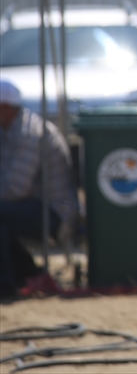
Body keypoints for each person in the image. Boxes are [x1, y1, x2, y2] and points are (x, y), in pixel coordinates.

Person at [0, 79, 79, 298]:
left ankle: (6, 286)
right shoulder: (9, 129)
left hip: (55, 214)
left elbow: (16, 188)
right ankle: (26, 273)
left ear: (5, 107)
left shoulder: (29, 133)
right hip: (31, 207)